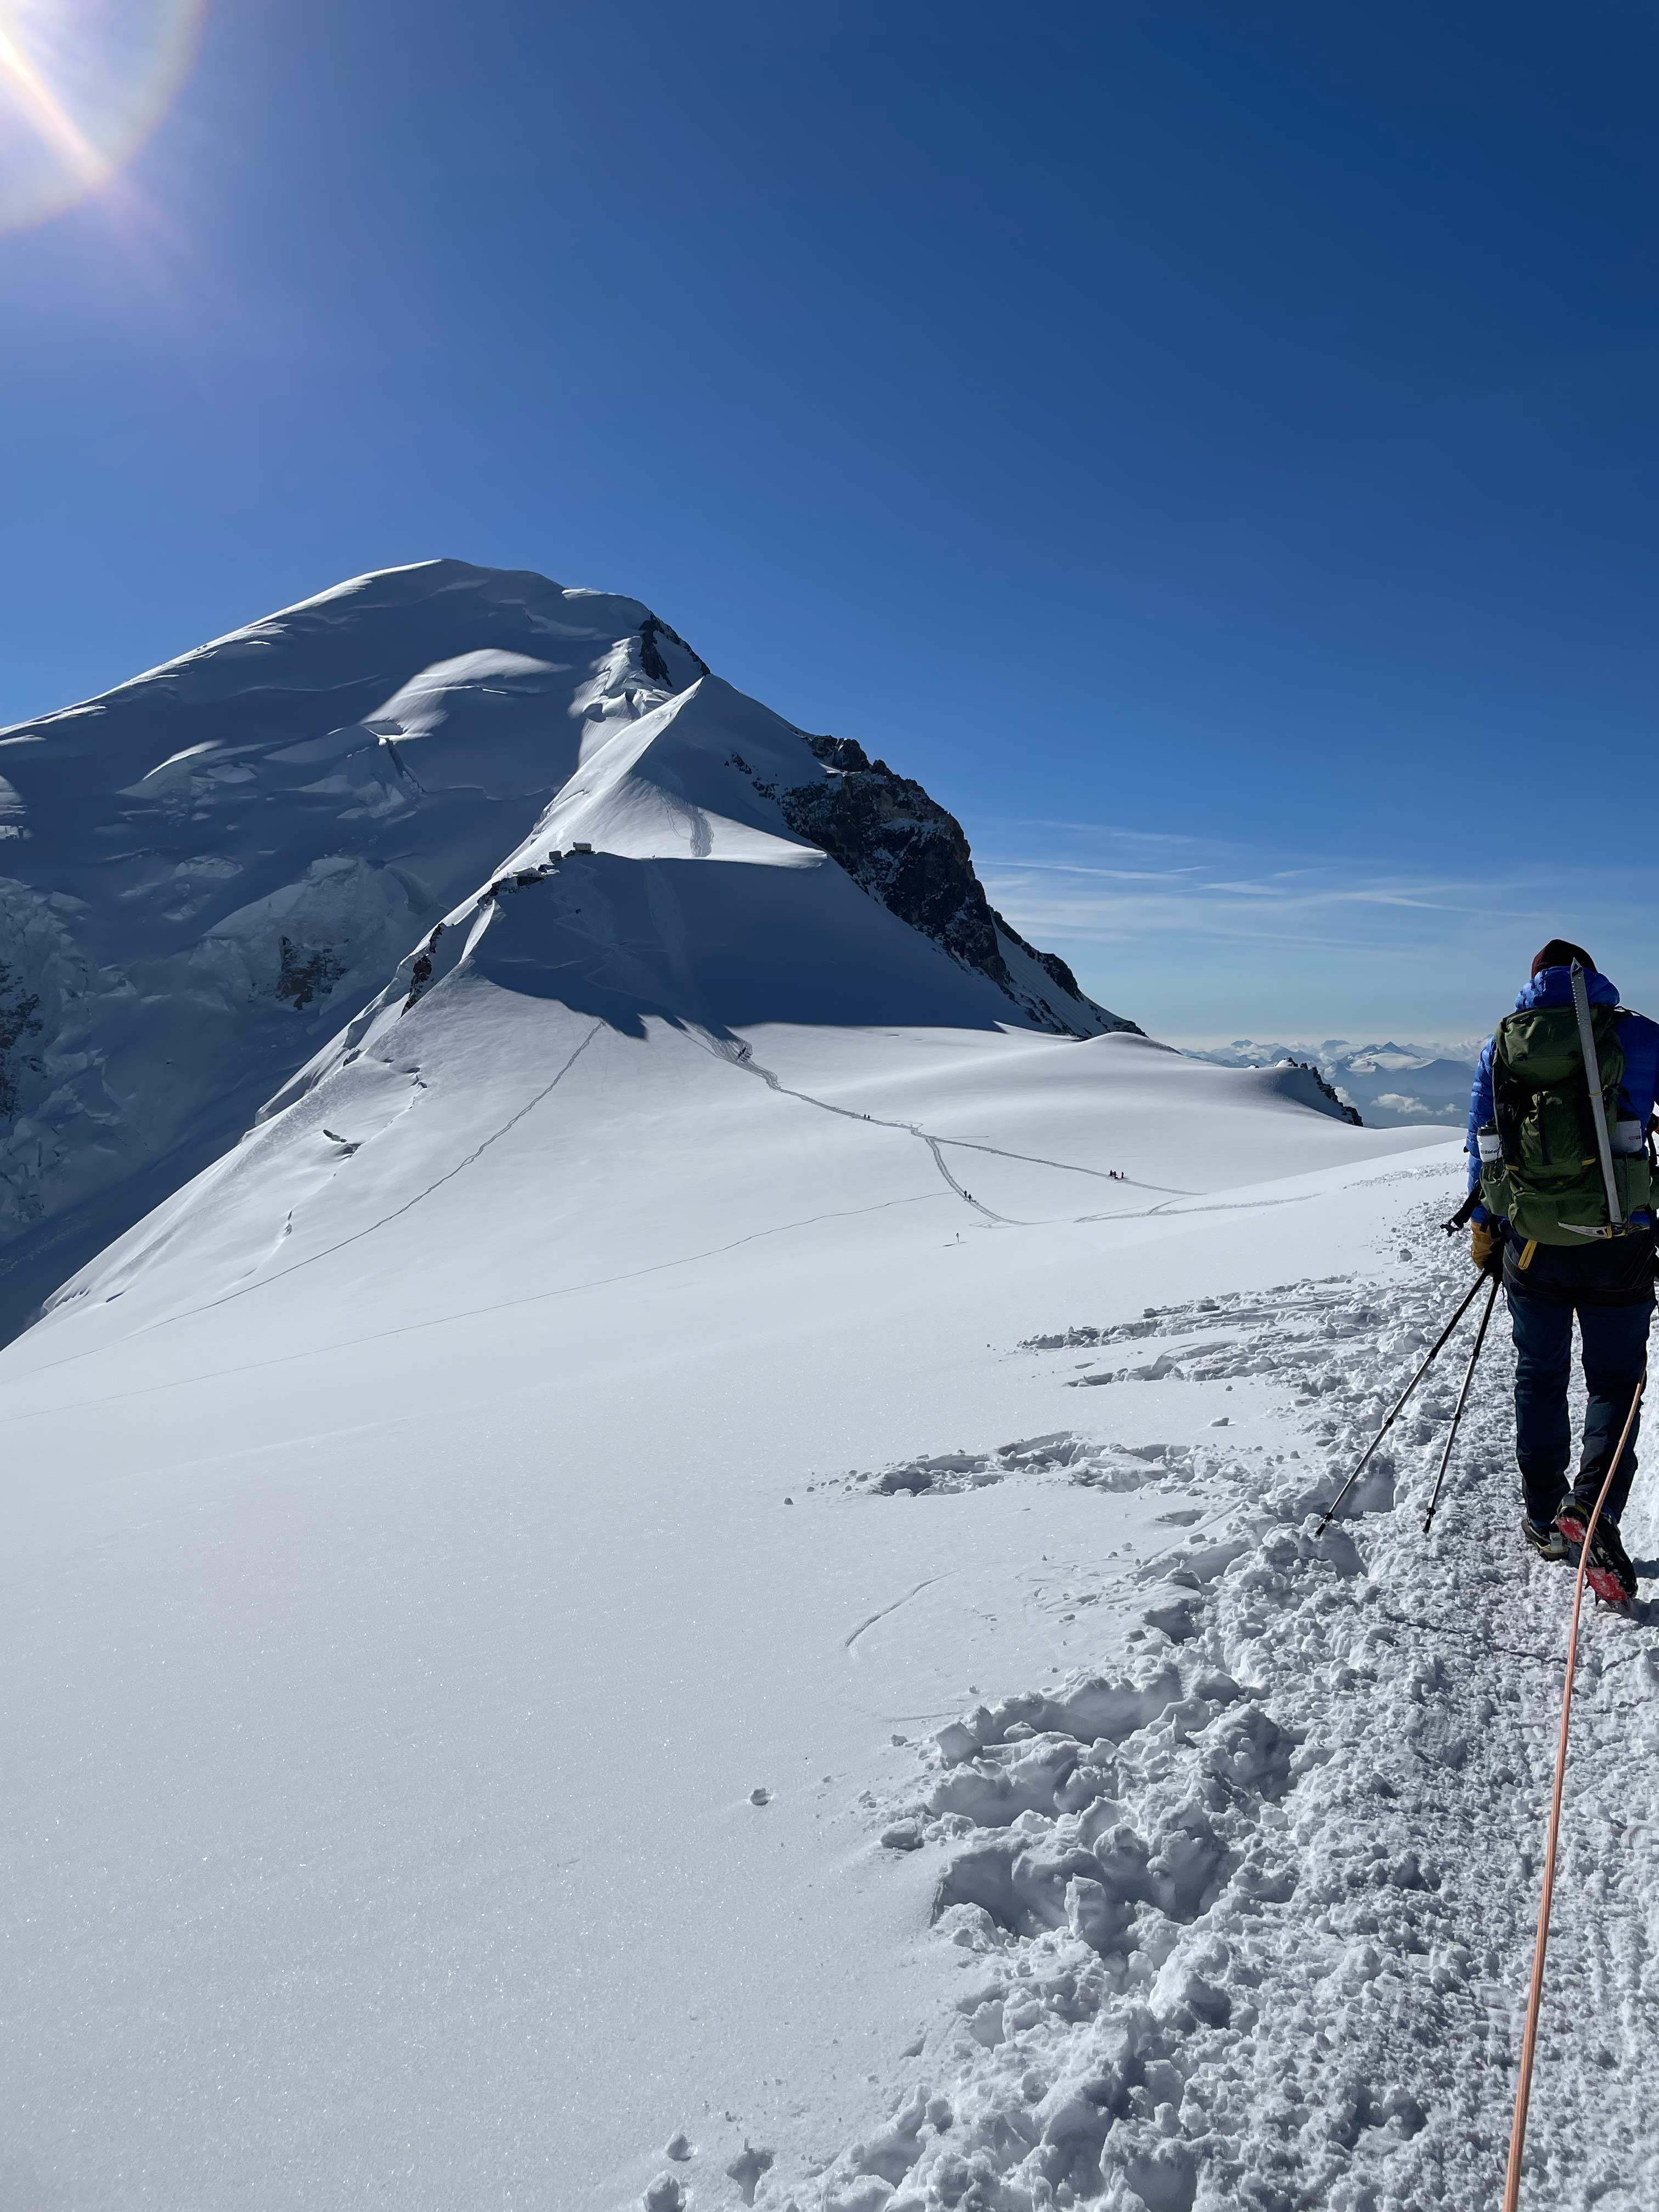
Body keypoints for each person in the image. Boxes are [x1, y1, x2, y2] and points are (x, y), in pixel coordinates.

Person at [1466, 939, 1658, 1602]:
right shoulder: (1638, 1036)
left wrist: (1487, 1230)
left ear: (1532, 983)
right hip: (1621, 1242)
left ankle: (1547, 1520)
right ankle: (1594, 1507)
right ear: (1594, 977)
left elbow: (1481, 1142)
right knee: (1615, 1381)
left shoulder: (1504, 1046)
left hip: (1532, 1246)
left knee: (1539, 1374)